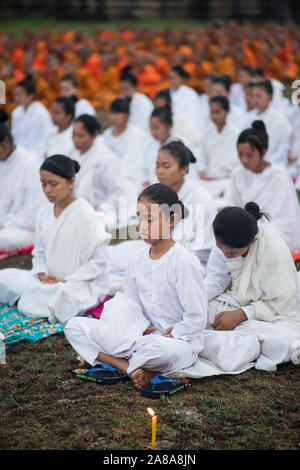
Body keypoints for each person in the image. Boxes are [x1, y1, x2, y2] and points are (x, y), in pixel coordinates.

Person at [64, 183, 207, 392]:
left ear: (173, 219)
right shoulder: (137, 259)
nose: (142, 225)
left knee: (157, 350)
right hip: (139, 337)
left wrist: (173, 334)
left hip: (176, 343)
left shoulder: (185, 261)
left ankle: (114, 360)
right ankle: (129, 367)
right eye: (139, 218)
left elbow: (197, 318)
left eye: (150, 219)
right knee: (74, 326)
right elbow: (131, 306)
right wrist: (133, 331)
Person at [0, 155, 112, 324]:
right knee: (5, 277)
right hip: (46, 281)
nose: (47, 190)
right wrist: (41, 273)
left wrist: (66, 280)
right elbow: (38, 253)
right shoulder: (44, 214)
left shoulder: (86, 214)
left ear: (71, 182)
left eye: (53, 184)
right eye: (43, 184)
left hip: (76, 284)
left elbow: (99, 262)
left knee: (66, 296)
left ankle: (41, 300)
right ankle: (42, 298)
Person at [201, 203, 300, 372]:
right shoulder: (225, 241)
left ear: (253, 241)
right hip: (237, 301)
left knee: (284, 340)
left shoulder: (273, 250)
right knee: (203, 311)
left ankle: (216, 342)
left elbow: (283, 303)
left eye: (232, 253)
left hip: (274, 315)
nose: (225, 255)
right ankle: (231, 344)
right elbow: (215, 278)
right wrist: (195, 299)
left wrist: (243, 314)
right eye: (220, 248)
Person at [107, 141, 217, 272]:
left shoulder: (201, 200)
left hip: (188, 262)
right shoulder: (159, 193)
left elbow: (202, 250)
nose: (159, 171)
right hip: (159, 249)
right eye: (157, 166)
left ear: (184, 168)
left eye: (166, 166)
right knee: (112, 254)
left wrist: (163, 260)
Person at [230, 120, 300, 252]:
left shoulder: (280, 176)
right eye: (240, 154)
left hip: (273, 231)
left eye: (249, 155)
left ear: (263, 152)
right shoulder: (237, 173)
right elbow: (235, 208)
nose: (244, 160)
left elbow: (286, 221)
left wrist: (256, 229)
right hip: (244, 229)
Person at [69, 114, 135, 230]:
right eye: (73, 135)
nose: (76, 140)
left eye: (81, 136)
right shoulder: (72, 154)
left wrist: (100, 208)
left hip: (104, 210)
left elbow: (118, 192)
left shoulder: (106, 159)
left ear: (94, 135)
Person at [0, 110, 44, 251]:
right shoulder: (3, 162)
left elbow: (34, 215)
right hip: (4, 223)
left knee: (5, 239)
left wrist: (5, 222)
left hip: (24, 229)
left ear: (6, 142)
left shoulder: (30, 164)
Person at [100, 97, 150, 194]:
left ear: (127, 115)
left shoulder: (138, 136)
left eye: (118, 113)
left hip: (132, 180)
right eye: (112, 113)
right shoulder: (106, 136)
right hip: (108, 179)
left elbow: (144, 161)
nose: (114, 117)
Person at [197, 96, 239, 200]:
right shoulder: (206, 133)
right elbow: (201, 156)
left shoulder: (235, 134)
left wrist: (223, 177)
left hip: (227, 181)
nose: (214, 116)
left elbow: (238, 162)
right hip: (208, 180)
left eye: (217, 112)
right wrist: (202, 171)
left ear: (227, 111)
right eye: (212, 112)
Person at [246, 80, 292, 167]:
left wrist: (265, 162)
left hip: (273, 165)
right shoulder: (248, 117)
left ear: (270, 97)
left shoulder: (279, 120)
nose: (255, 100)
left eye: (259, 96)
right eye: (253, 96)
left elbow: (283, 148)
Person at [11, 75, 53, 161]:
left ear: (30, 96)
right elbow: (15, 136)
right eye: (15, 95)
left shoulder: (40, 111)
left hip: (37, 153)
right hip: (19, 152)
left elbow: (47, 134)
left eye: (20, 95)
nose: (17, 98)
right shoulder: (16, 112)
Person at [169, 66, 203, 131]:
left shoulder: (190, 94)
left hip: (187, 128)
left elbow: (191, 115)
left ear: (182, 79)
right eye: (170, 78)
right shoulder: (170, 92)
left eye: (173, 78)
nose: (171, 81)